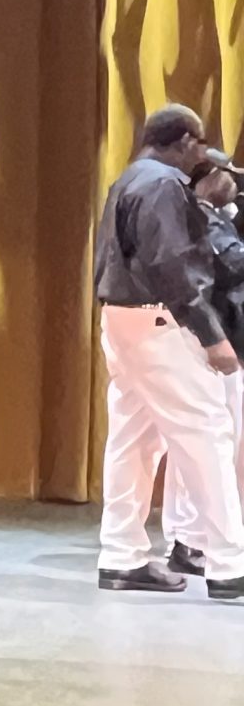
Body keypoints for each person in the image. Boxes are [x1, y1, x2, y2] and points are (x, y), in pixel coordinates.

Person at [94, 105, 244, 599]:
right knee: (206, 435)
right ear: (182, 140)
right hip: (161, 321)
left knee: (134, 438)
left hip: (121, 318)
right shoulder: (163, 186)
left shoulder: (129, 179)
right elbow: (173, 268)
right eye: (199, 143)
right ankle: (229, 565)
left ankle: (121, 555)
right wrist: (212, 336)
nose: (201, 153)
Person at [161, 149, 244, 574]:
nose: (234, 179)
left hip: (220, 339)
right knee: (206, 443)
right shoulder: (201, 218)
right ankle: (188, 540)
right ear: (208, 179)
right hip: (209, 342)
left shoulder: (215, 214)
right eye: (227, 173)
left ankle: (193, 539)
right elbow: (232, 263)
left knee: (215, 442)